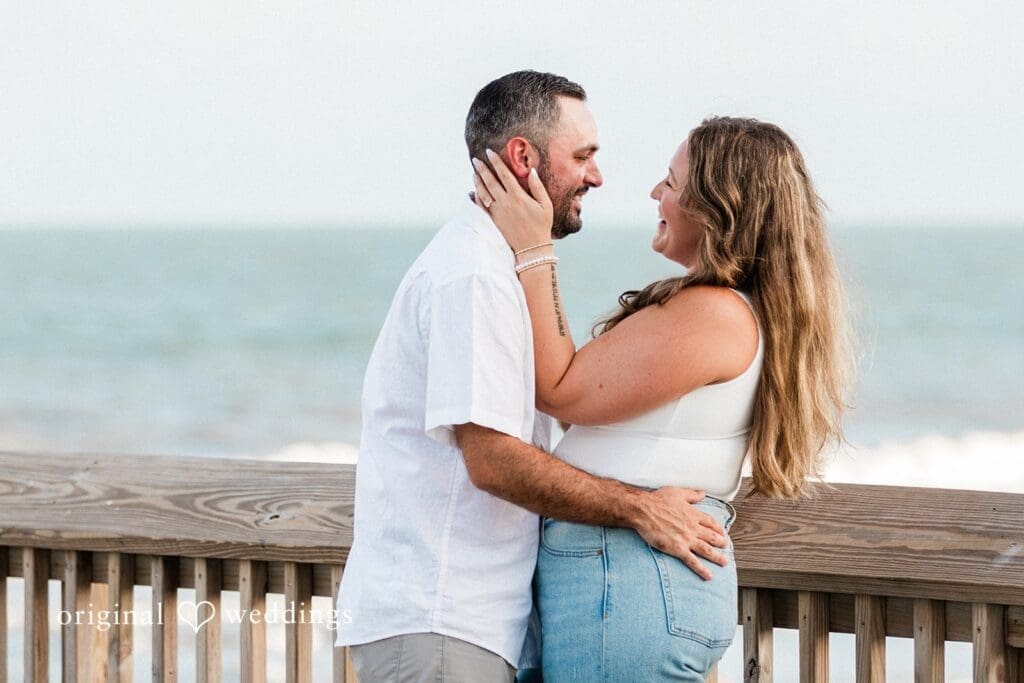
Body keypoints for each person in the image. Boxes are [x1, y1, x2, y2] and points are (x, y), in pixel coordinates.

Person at [333, 71, 731, 683]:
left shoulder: (500, 266)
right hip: (442, 621)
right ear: (524, 158)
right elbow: (492, 459)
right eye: (583, 156)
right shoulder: (475, 275)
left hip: (471, 625)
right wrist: (639, 509)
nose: (596, 176)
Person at [472, 116, 853, 680]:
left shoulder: (715, 314)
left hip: (629, 585)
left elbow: (559, 388)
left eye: (671, 183)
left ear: (718, 208)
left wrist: (534, 250)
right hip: (631, 582)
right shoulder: (729, 311)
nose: (655, 193)